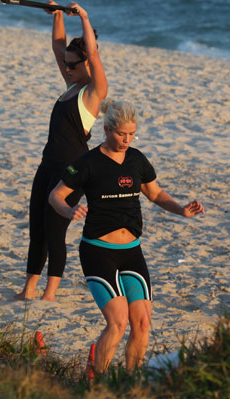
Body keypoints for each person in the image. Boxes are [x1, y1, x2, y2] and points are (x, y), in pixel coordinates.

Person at [49, 101, 205, 373]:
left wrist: (181, 210)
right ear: (107, 129)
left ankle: (130, 382)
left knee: (142, 323)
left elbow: (155, 194)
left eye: (132, 134)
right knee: (118, 323)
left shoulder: (136, 159)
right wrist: (69, 210)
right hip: (98, 252)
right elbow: (55, 196)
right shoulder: (87, 163)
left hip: (132, 251)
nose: (127, 139)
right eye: (122, 134)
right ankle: (96, 380)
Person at [16, 1, 108, 301]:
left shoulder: (92, 92)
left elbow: (93, 54)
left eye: (72, 64)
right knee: (37, 229)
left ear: (87, 66)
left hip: (71, 171)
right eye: (66, 64)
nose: (66, 68)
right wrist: (57, 15)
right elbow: (58, 46)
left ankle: (50, 293)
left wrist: (83, 16)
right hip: (47, 165)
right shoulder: (69, 85)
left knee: (55, 232)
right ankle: (29, 288)